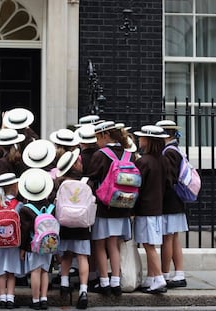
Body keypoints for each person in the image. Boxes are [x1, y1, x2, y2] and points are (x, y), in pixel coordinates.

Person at [85, 121, 133, 296]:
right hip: (123, 205)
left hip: (104, 207)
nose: (96, 141)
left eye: (98, 137)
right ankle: (116, 281)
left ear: (105, 136)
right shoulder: (129, 154)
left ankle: (104, 281)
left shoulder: (100, 155)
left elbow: (92, 178)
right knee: (114, 244)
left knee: (99, 244)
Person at [133, 125, 170, 294]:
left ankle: (159, 278)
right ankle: (151, 277)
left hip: (145, 208)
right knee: (151, 243)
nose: (138, 139)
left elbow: (136, 186)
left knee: (148, 245)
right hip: (158, 207)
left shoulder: (143, 161)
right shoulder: (163, 160)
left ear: (148, 140)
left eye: (141, 137)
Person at [54, 149, 90, 309]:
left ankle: (64, 282)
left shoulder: (60, 183)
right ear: (74, 165)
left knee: (66, 255)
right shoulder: (86, 182)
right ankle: (83, 289)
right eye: (79, 161)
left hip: (64, 224)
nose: (81, 162)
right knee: (82, 257)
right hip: (82, 225)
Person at [156, 120, 189, 288]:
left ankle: (164, 274)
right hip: (176, 200)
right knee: (174, 237)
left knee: (167, 238)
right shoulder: (176, 150)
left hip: (169, 200)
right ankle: (179, 274)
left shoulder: (168, 153)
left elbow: (168, 178)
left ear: (165, 135)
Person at [18, 168, 55, 310]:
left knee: (35, 271)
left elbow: (25, 231)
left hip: (33, 246)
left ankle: (35, 300)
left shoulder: (26, 209)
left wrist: (22, 249)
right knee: (45, 271)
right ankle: (44, 298)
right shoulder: (51, 207)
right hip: (49, 244)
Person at [0, 173, 23, 309]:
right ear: (13, 186)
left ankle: (2, 296)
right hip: (13, 244)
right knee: (11, 272)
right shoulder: (18, 205)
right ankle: (10, 298)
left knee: (0, 272)